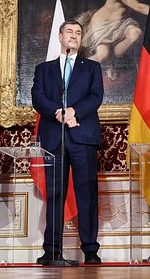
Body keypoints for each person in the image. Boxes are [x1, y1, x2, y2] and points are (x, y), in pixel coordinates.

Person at [31, 20, 104, 265]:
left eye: (78, 33)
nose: (74, 36)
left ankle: (90, 250)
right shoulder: (44, 69)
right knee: (55, 194)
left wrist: (73, 111)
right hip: (54, 138)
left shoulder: (92, 67)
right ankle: (52, 250)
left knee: (87, 193)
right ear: (60, 37)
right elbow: (38, 97)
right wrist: (59, 113)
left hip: (83, 137)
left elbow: (96, 96)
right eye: (69, 32)